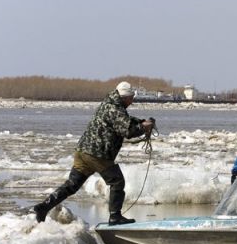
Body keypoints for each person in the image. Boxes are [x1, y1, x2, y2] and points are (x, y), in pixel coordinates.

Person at [33, 81, 155, 225]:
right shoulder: (114, 109)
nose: (132, 100)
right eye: (131, 98)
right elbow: (128, 131)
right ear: (125, 97)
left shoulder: (109, 105)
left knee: (72, 185)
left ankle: (43, 207)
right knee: (117, 181)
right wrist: (143, 127)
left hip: (83, 151)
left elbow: (126, 121)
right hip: (96, 153)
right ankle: (115, 217)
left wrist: (141, 122)